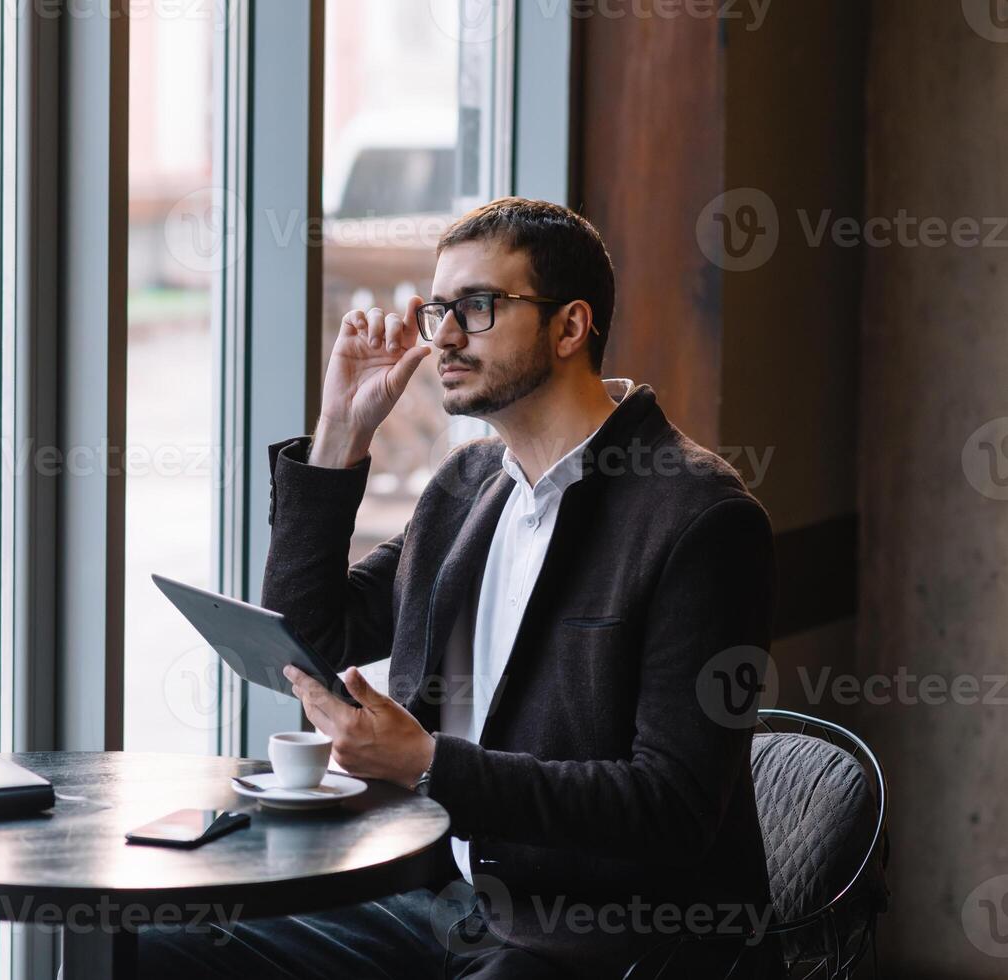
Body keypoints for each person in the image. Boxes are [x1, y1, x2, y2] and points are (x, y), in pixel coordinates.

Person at [140, 197, 781, 978]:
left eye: (476, 307)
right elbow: (314, 637)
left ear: (569, 327)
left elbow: (671, 807)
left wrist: (428, 763)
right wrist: (342, 432)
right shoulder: (468, 486)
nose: (443, 333)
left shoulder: (700, 518)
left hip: (596, 940)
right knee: (158, 943)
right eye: (437, 308)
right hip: (437, 904)